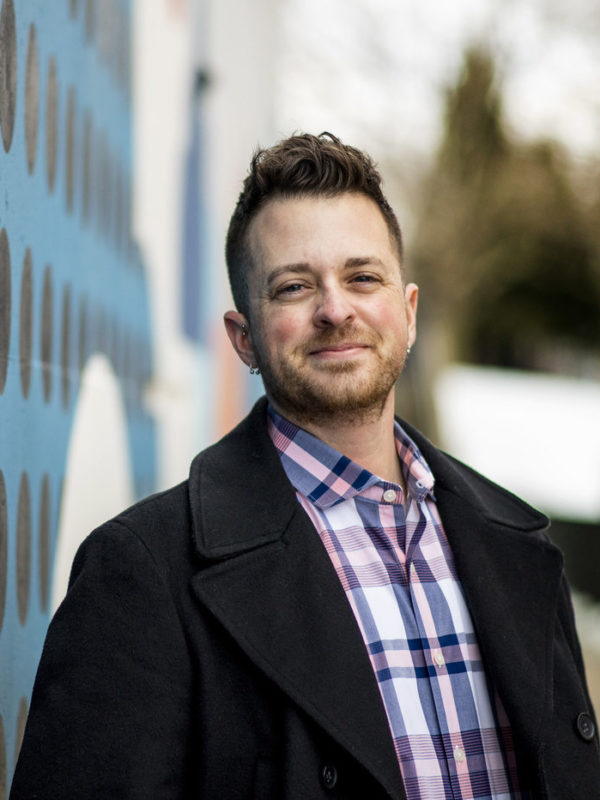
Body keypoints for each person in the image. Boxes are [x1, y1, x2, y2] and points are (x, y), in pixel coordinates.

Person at [10, 133, 599, 800]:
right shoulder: (142, 574)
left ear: (406, 314)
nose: (335, 308)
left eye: (362, 276)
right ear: (244, 338)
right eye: (294, 286)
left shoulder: (517, 544)